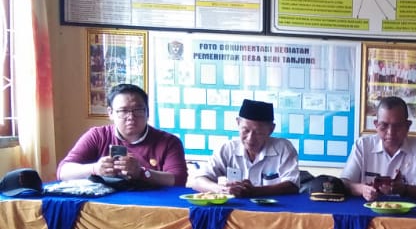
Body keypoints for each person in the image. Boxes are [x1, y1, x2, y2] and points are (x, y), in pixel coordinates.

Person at [57, 83, 188, 186]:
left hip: (153, 207)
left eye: (138, 110)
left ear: (147, 112)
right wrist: (95, 169)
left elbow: (178, 180)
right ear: (110, 113)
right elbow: (63, 172)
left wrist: (141, 173)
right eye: (123, 111)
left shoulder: (169, 142)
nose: (131, 117)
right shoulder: (97, 136)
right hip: (104, 206)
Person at [190, 99, 299, 198]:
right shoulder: (227, 149)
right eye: (245, 130)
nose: (250, 138)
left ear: (271, 129)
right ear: (238, 123)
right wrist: (222, 190)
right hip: (237, 209)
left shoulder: (283, 148)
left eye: (258, 133)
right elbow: (198, 181)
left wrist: (256, 191)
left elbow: (292, 185)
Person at [341, 95, 416, 201]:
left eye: (398, 126)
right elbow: (344, 183)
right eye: (384, 126)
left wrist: (405, 190)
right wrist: (362, 189)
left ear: (408, 126)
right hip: (367, 207)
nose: (391, 132)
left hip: (409, 209)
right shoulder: (362, 145)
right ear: (376, 125)